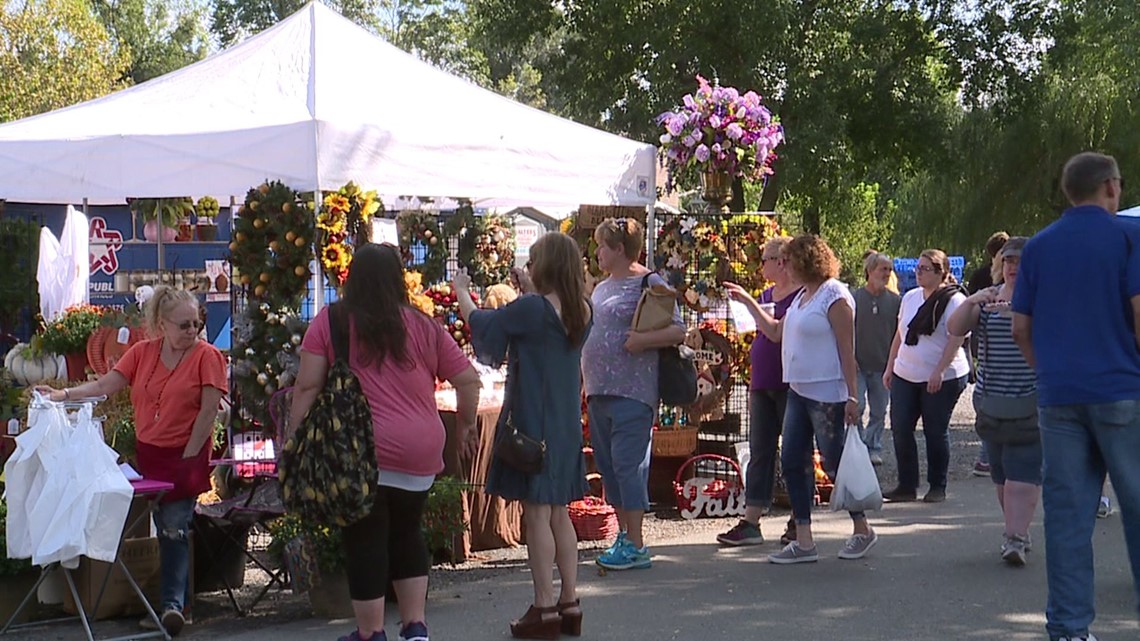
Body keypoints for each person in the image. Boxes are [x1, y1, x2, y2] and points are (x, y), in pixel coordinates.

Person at [290, 243, 481, 641]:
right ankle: (415, 627)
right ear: (398, 279)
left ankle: (370, 632)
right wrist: (464, 425)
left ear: (352, 278)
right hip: (420, 450)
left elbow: (307, 385)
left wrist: (295, 440)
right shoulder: (423, 325)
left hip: (360, 451)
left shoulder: (332, 322)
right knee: (407, 533)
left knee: (364, 540)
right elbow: (467, 380)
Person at [38, 286, 227, 636]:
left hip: (185, 452)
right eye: (183, 325)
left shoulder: (207, 356)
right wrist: (63, 395)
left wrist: (190, 455)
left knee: (174, 526)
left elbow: (208, 411)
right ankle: (172, 600)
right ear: (162, 323)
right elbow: (106, 385)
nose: (191, 332)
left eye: (196, 325)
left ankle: (173, 606)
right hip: (150, 452)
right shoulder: (141, 352)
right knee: (164, 524)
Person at [1011, 151, 1140, 641]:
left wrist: (1046, 370)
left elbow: (1022, 326)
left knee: (1068, 517)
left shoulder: (1040, 246)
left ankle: (1068, 629)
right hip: (1122, 387)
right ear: (1110, 186)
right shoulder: (1129, 237)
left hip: (1059, 395)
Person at [456, 232, 593, 640]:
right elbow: (546, 323)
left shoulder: (532, 310)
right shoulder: (583, 309)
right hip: (565, 424)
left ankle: (544, 606)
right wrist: (530, 290)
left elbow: (483, 326)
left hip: (534, 421)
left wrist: (462, 291)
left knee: (536, 515)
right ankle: (570, 602)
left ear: (545, 266)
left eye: (533, 262)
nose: (529, 268)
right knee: (560, 513)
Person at [729, 234, 878, 564]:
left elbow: (846, 348)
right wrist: (748, 303)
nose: (785, 267)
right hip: (798, 389)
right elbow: (776, 331)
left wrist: (852, 396)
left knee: (835, 462)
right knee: (793, 461)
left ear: (807, 260)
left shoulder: (834, 295)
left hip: (828, 394)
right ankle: (804, 538)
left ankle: (862, 529)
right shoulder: (802, 297)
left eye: (789, 261)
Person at [581, 217, 685, 571]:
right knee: (609, 468)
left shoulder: (648, 281)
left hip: (633, 390)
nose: (597, 253)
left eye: (603, 246)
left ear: (620, 249)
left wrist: (642, 341)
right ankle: (625, 537)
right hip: (599, 390)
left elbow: (679, 331)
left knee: (629, 464)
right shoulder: (601, 287)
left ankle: (637, 543)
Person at [948, 237, 1040, 566]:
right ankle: (1017, 530)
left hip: (1030, 401)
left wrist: (1021, 312)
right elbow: (954, 328)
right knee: (1001, 477)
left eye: (1020, 261)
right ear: (1001, 265)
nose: (1014, 267)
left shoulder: (1042, 300)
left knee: (1022, 474)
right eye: (1009, 261)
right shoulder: (988, 301)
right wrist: (972, 300)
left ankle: (1014, 538)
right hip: (991, 401)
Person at [716, 236, 801, 547]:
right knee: (760, 450)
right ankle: (751, 520)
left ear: (782, 262)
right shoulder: (767, 294)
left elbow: (776, 331)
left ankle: (798, 518)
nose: (761, 264)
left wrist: (748, 303)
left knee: (794, 451)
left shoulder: (801, 297)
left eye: (765, 259)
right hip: (762, 382)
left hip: (790, 384)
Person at [882, 249, 970, 503]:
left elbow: (956, 339)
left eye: (925, 269)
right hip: (905, 373)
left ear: (941, 273)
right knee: (900, 427)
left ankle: (937, 486)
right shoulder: (909, 298)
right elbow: (900, 334)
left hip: (943, 375)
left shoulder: (955, 301)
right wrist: (890, 367)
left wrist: (939, 371)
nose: (918, 273)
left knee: (935, 429)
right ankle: (906, 485)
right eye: (917, 268)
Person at [852, 251, 901, 466]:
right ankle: (858, 445)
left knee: (879, 410)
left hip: (883, 365)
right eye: (883, 269)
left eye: (889, 270)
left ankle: (873, 446)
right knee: (858, 406)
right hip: (858, 364)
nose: (887, 273)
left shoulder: (896, 301)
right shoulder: (854, 299)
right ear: (870, 271)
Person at [967, 231, 1010, 477]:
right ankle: (987, 458)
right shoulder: (986, 283)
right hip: (986, 352)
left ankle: (986, 458)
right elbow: (960, 323)